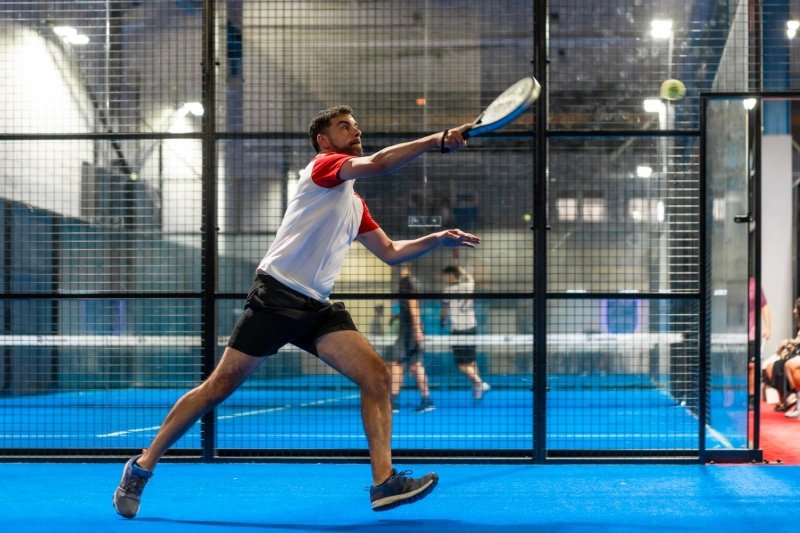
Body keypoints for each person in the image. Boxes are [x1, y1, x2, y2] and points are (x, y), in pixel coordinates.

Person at [112, 105, 479, 518]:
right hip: (277, 298)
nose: (355, 130)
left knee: (375, 373)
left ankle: (384, 483)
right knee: (219, 387)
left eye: (356, 125)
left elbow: (391, 253)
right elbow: (379, 163)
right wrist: (438, 139)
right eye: (345, 126)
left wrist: (437, 238)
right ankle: (141, 466)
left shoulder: (354, 205)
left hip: (317, 307)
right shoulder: (323, 169)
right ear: (325, 141)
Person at [388, 264, 435, 413]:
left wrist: (416, 330)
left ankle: (392, 402)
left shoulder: (407, 282)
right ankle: (427, 400)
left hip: (409, 330)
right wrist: (397, 316)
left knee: (396, 362)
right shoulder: (409, 282)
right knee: (415, 365)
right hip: (410, 327)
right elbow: (410, 307)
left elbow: (414, 306)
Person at [440, 265, 490, 400]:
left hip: (459, 330)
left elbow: (444, 310)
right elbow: (468, 276)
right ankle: (477, 391)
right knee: (471, 360)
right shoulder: (469, 285)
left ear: (451, 275)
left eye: (445, 275)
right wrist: (459, 269)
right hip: (472, 327)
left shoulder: (448, 290)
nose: (444, 278)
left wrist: (442, 320)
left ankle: (480, 384)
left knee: (461, 364)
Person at [748, 277, 772, 409]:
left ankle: (751, 397)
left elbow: (764, 305)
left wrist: (768, 327)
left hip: (751, 333)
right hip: (735, 333)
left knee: (752, 366)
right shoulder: (732, 281)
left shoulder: (754, 283)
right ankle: (733, 399)